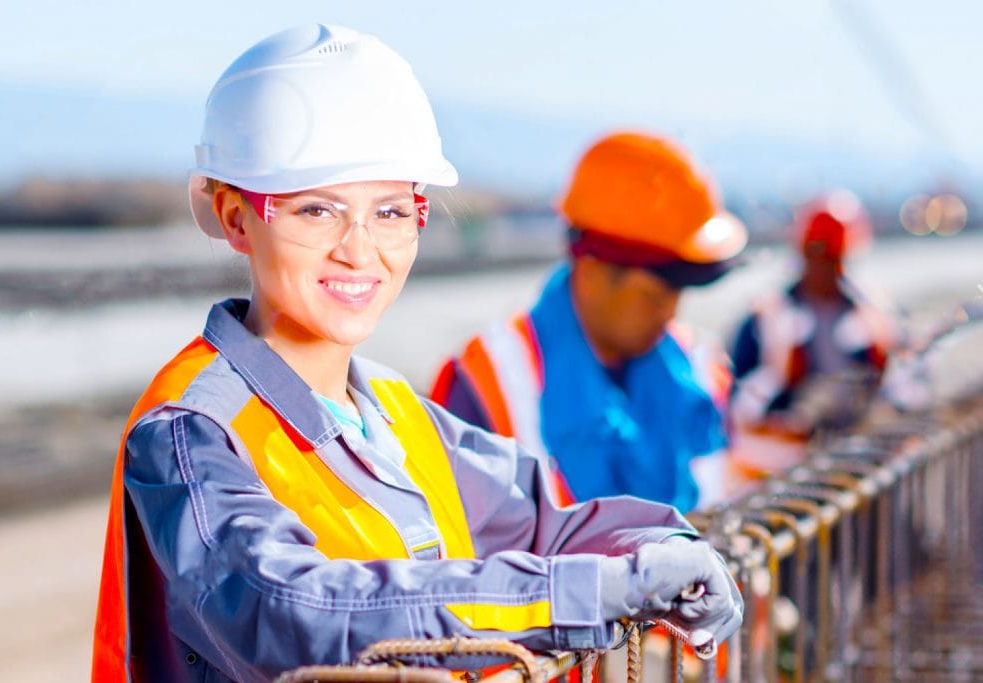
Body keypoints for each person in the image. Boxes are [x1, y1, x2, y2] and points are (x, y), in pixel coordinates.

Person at [90, 25, 742, 682]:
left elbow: (545, 522)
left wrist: (665, 545)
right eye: (316, 210)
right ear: (236, 217)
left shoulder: (396, 413)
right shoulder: (190, 432)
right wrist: (586, 594)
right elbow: (295, 612)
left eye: (391, 213)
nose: (359, 250)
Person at [430, 132, 748, 511]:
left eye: (678, 293)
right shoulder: (488, 382)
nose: (669, 313)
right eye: (654, 295)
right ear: (594, 270)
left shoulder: (700, 367)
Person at [728, 189, 896, 469]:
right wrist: (778, 401)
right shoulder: (765, 319)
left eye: (833, 257)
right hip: (786, 463)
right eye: (817, 254)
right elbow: (737, 404)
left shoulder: (874, 317)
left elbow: (901, 388)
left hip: (854, 457)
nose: (824, 267)